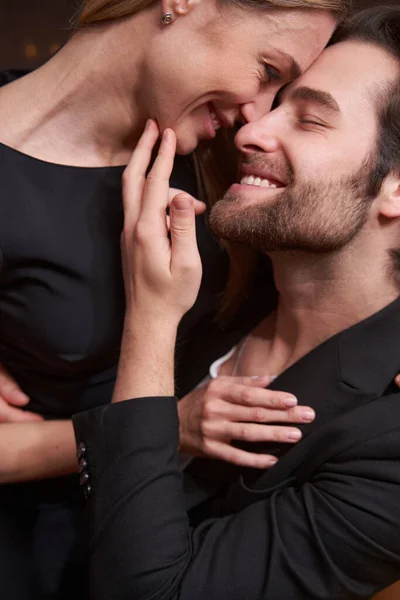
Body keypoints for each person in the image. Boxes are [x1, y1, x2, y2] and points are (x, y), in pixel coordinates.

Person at [0, 0, 342, 597]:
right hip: (44, 544)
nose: (258, 115)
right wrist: (166, 426)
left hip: (201, 532)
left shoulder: (229, 154)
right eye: (267, 71)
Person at [73, 6, 400, 599]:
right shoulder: (214, 275)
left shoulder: (388, 444)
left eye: (311, 121)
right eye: (279, 103)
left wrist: (151, 319)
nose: (252, 129)